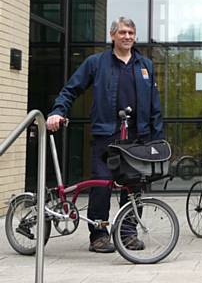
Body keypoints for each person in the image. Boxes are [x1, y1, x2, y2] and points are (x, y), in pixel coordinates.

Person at [46, 17, 163, 253]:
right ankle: (99, 235)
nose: (127, 36)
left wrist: (157, 139)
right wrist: (57, 112)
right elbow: (71, 89)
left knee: (134, 187)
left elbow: (154, 106)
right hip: (106, 135)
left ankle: (127, 233)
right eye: (122, 32)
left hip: (137, 137)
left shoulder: (145, 65)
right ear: (112, 36)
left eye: (131, 32)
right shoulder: (96, 63)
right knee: (102, 186)